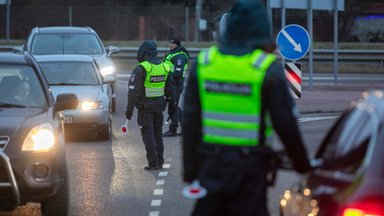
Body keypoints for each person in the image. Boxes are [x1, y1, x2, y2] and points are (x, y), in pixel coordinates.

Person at [182, 0, 312, 215]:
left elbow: (190, 122)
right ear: (262, 29)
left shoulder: (204, 64)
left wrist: (190, 171)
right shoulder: (266, 69)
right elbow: (286, 125)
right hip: (251, 171)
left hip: (210, 167)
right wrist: (303, 165)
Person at [125, 40, 176, 170]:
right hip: (159, 107)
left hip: (145, 108)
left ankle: (153, 163)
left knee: (148, 134)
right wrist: (172, 106)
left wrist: (129, 111)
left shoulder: (142, 68)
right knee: (157, 133)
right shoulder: (164, 67)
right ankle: (159, 161)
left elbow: (133, 93)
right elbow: (171, 89)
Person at [162, 37, 190, 137]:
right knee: (174, 105)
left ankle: (173, 129)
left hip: (176, 84)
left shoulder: (180, 56)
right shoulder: (173, 53)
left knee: (173, 106)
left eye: (172, 43)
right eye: (169, 43)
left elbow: (178, 72)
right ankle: (186, 128)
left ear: (176, 44)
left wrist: (166, 77)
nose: (170, 45)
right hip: (171, 84)